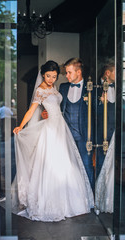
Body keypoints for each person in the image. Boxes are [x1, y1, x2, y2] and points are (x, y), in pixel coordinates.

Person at [12, 60, 94, 222]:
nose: (51, 79)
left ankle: (71, 202)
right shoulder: (40, 90)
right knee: (51, 164)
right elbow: (31, 110)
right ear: (43, 75)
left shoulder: (55, 88)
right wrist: (21, 125)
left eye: (54, 77)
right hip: (50, 130)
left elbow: (57, 108)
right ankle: (49, 203)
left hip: (61, 127)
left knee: (66, 163)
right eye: (48, 76)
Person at [59, 58, 95, 190]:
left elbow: (96, 115)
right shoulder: (63, 88)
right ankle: (73, 197)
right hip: (66, 136)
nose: (66, 75)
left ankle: (89, 198)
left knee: (86, 166)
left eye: (69, 72)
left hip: (85, 136)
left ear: (78, 72)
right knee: (68, 167)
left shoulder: (90, 88)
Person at [96, 59, 115, 178]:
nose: (118, 75)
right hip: (101, 131)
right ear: (107, 73)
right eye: (115, 72)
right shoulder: (94, 87)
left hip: (116, 131)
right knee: (101, 162)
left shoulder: (117, 87)